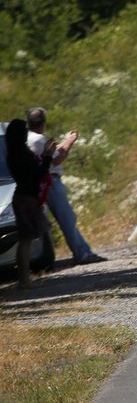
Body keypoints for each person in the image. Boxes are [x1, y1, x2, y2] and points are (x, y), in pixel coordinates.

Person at [25, 108, 105, 266]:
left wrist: (64, 142)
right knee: (67, 218)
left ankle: (83, 251)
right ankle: (82, 253)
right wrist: (70, 140)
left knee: (65, 219)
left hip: (39, 183)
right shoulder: (39, 139)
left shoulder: (29, 138)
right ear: (43, 122)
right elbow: (57, 159)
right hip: (51, 181)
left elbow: (52, 153)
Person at [6, 118, 56, 288]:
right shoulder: (22, 154)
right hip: (27, 199)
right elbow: (37, 174)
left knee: (24, 239)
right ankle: (24, 280)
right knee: (26, 240)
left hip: (21, 197)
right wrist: (47, 157)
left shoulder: (12, 154)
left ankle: (23, 278)